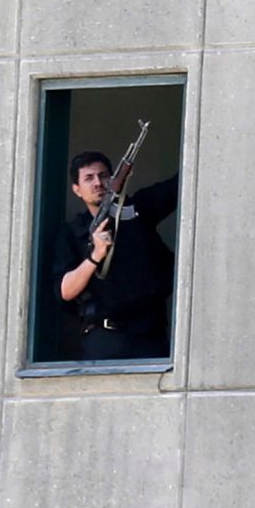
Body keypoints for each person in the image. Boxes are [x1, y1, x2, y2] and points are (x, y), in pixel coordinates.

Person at [52, 151, 178, 360]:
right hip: (104, 338)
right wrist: (95, 256)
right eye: (89, 178)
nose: (98, 183)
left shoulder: (138, 210)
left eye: (103, 176)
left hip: (149, 336)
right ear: (77, 190)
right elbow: (65, 290)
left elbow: (180, 186)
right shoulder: (72, 234)